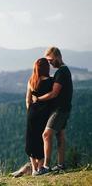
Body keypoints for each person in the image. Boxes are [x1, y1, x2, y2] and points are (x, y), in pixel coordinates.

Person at [33, 46, 73, 175]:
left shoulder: (61, 72)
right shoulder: (63, 71)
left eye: (50, 60)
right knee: (60, 135)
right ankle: (61, 165)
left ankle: (45, 167)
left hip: (60, 109)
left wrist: (38, 99)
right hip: (64, 108)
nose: (49, 63)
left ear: (57, 57)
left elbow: (54, 93)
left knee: (46, 134)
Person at [25, 58, 53, 176]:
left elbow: (27, 100)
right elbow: (53, 97)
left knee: (32, 140)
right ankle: (41, 167)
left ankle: (34, 169)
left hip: (32, 113)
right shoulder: (51, 81)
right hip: (44, 114)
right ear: (47, 68)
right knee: (41, 140)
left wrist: (30, 111)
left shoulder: (31, 81)